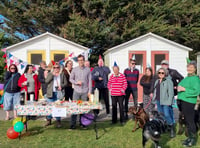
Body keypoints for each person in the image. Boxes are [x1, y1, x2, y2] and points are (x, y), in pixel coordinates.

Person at [177, 61, 200, 147]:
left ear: (195, 69)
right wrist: (178, 87)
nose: (189, 69)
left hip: (189, 102)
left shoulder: (196, 79)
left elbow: (197, 91)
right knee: (187, 120)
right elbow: (181, 85)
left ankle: (193, 140)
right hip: (183, 101)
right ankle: (189, 138)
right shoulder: (187, 77)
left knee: (190, 121)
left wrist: (184, 89)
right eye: (188, 67)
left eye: (191, 67)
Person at [69, 54, 92, 129]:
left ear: (84, 60)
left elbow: (90, 82)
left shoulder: (88, 70)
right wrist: (76, 82)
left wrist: (89, 92)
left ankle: (82, 124)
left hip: (85, 92)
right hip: (76, 91)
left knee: (83, 109)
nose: (80, 62)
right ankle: (72, 125)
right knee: (75, 108)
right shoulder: (74, 69)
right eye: (79, 60)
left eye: (82, 60)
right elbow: (70, 79)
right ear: (77, 61)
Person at [151, 67, 175, 138]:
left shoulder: (168, 81)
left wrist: (169, 102)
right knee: (161, 116)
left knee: (167, 115)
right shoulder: (157, 81)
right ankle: (165, 128)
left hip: (166, 102)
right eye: (159, 73)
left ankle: (172, 128)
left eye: (162, 73)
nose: (161, 74)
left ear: (165, 73)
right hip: (158, 101)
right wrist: (153, 99)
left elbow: (171, 93)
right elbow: (156, 91)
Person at [45, 62, 67, 128]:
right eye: (54, 67)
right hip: (51, 93)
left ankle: (58, 121)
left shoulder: (62, 74)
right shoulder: (50, 74)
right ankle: (48, 120)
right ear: (53, 68)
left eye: (57, 67)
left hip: (59, 93)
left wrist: (61, 86)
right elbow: (46, 81)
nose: (56, 69)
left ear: (59, 68)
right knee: (50, 107)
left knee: (58, 107)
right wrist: (52, 75)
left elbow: (65, 83)